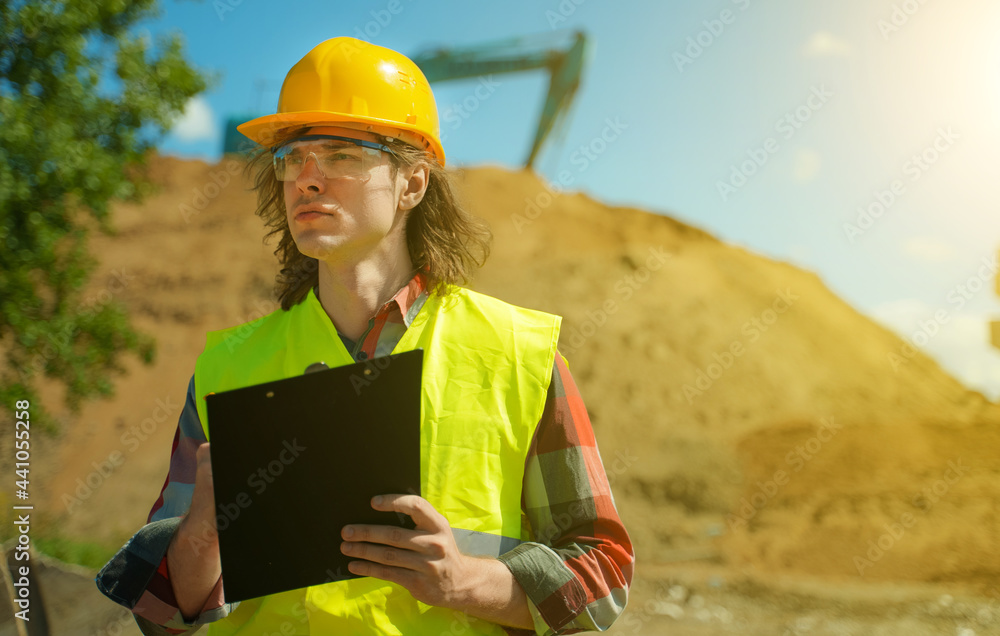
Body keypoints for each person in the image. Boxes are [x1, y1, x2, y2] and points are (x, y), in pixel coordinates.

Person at [96, 36, 633, 636]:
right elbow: (164, 615)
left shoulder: (518, 353)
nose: (307, 179)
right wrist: (200, 537)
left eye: (342, 154)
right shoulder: (228, 366)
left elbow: (602, 576)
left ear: (414, 184)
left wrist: (465, 582)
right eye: (293, 159)